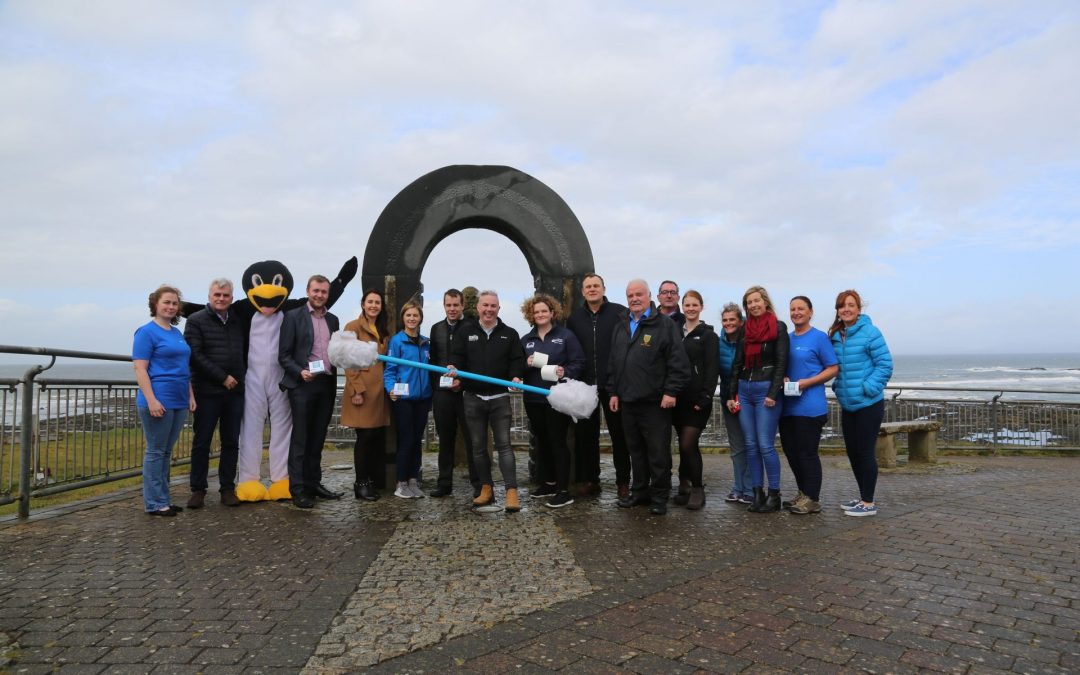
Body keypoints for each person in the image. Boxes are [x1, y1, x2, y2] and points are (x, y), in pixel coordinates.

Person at [607, 279, 690, 516]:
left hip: (655, 402)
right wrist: (613, 391)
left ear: (649, 296)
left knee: (658, 452)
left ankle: (660, 496)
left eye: (639, 295)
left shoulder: (663, 324)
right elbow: (614, 362)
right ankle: (640, 491)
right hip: (627, 400)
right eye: (630, 295)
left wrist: (671, 391)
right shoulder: (621, 325)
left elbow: (678, 362)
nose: (634, 299)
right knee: (636, 451)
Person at [448, 291, 526, 512]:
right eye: (485, 305)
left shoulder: (509, 334)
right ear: (478, 308)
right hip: (473, 398)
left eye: (493, 306)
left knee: (504, 446)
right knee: (479, 448)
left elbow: (516, 361)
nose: (489, 309)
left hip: (500, 397)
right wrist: (454, 370)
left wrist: (516, 376)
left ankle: (512, 492)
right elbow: (457, 358)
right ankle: (486, 489)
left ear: (498, 309)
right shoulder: (465, 332)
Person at [278, 275, 342, 509]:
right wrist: (299, 371)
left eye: (324, 292)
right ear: (308, 291)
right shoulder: (292, 317)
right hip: (303, 384)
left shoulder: (333, 320)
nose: (319, 295)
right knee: (301, 438)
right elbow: (283, 355)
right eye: (316, 291)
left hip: (326, 383)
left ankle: (314, 483)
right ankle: (298, 489)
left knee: (318, 438)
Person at [133, 285, 196, 517]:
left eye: (174, 303)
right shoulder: (146, 332)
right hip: (159, 398)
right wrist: (151, 400)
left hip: (179, 399)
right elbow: (140, 368)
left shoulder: (175, 333)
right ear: (155, 305)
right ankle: (155, 503)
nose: (171, 307)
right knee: (156, 451)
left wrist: (190, 396)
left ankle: (164, 499)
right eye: (166, 302)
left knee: (166, 452)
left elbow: (183, 367)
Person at [829, 290, 893, 517]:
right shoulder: (836, 335)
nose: (846, 309)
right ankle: (862, 495)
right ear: (837, 310)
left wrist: (868, 388)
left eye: (850, 305)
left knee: (865, 452)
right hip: (848, 404)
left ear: (858, 308)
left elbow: (885, 365)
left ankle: (868, 502)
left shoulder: (870, 333)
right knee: (853, 452)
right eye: (841, 306)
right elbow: (830, 365)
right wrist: (838, 386)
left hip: (868, 404)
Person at [566, 274, 630, 498]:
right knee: (586, 436)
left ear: (604, 288)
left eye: (596, 286)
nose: (592, 289)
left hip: (613, 384)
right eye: (588, 287)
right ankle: (591, 480)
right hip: (585, 385)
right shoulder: (575, 318)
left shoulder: (620, 313)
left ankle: (623, 481)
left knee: (618, 435)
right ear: (583, 291)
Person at [183, 279, 244, 509]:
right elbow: (195, 355)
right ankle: (198, 490)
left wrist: (239, 378)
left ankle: (227, 489)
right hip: (207, 391)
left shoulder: (238, 320)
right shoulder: (196, 320)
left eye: (226, 295)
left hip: (235, 392)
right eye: (217, 294)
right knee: (202, 441)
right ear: (209, 296)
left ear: (231, 297)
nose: (221, 299)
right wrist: (222, 377)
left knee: (231, 442)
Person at [520, 293, 585, 508]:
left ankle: (563, 490)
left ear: (552, 313)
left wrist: (564, 370)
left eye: (544, 311)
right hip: (533, 398)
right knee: (542, 442)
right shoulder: (526, 340)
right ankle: (548, 483)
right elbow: (515, 368)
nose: (540, 314)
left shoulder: (566, 336)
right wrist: (525, 364)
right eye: (536, 311)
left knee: (558, 442)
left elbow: (579, 362)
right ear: (531, 314)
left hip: (558, 398)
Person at [727, 285, 789, 513]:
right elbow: (737, 364)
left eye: (756, 301)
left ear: (765, 301)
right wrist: (732, 394)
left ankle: (774, 495)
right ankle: (757, 493)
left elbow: (782, 363)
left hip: (766, 392)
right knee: (751, 445)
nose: (753, 305)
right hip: (745, 389)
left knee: (765, 445)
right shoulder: (745, 331)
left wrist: (773, 393)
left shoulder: (778, 327)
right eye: (749, 302)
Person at [778, 296, 838, 515]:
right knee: (791, 453)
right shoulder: (786, 338)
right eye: (792, 308)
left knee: (807, 453)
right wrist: (783, 377)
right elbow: (781, 364)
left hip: (811, 407)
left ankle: (813, 498)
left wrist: (808, 382)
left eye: (801, 308)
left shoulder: (819, 338)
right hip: (788, 407)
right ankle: (803, 493)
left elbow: (832, 368)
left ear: (810, 312)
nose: (796, 312)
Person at [341, 289, 391, 502]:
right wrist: (357, 390)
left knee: (375, 437)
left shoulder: (383, 328)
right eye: (370, 302)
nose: (373, 306)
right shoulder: (352, 327)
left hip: (380, 392)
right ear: (363, 304)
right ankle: (360, 483)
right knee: (364, 438)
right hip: (362, 391)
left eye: (377, 302)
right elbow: (347, 360)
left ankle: (370, 480)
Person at [428, 289, 478, 498]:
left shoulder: (471, 327)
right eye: (448, 305)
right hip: (443, 393)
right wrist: (436, 389)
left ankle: (478, 483)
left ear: (462, 305)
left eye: (456, 305)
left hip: (465, 392)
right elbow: (433, 361)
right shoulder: (436, 328)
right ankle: (444, 483)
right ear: (444, 305)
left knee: (472, 439)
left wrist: (462, 382)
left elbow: (475, 361)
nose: (452, 309)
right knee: (445, 439)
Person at [672, 291, 719, 510]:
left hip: (698, 400)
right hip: (677, 398)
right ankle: (684, 486)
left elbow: (712, 369)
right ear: (682, 307)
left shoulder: (708, 335)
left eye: (694, 305)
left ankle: (698, 488)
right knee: (683, 445)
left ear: (701, 307)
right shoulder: (675, 332)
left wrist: (706, 396)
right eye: (687, 305)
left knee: (688, 443)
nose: (690, 308)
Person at [384, 301, 433, 499]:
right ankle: (401, 483)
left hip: (423, 398)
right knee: (406, 440)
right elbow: (390, 370)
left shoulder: (426, 342)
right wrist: (390, 389)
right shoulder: (396, 342)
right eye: (408, 315)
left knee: (417, 441)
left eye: (415, 315)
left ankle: (413, 480)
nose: (412, 318)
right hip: (404, 398)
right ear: (403, 318)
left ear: (420, 318)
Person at [718, 303, 752, 505]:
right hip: (728, 400)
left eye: (733, 320)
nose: (729, 323)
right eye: (725, 320)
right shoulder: (718, 342)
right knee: (737, 446)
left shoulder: (749, 340)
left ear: (740, 321)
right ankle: (738, 487)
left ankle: (751, 488)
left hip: (748, 398)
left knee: (752, 444)